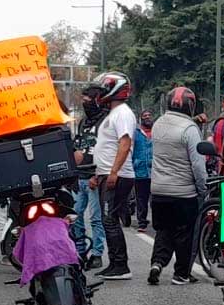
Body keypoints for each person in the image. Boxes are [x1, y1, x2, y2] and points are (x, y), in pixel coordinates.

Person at [148, 87, 208, 285]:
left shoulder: (157, 124)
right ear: (190, 106)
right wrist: (203, 189)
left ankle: (157, 263)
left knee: (163, 230)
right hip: (183, 193)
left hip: (158, 191)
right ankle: (181, 274)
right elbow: (198, 165)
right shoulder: (189, 129)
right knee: (184, 233)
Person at [85, 71, 137, 280]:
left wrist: (114, 172)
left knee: (109, 219)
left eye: (103, 89)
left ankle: (120, 265)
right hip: (106, 173)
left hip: (118, 174)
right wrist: (98, 174)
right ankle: (115, 262)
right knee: (108, 219)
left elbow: (125, 143)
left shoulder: (123, 113)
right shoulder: (113, 114)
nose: (99, 94)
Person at [71, 97, 107, 269]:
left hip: (94, 176)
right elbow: (77, 144)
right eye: (83, 101)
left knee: (95, 218)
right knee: (75, 215)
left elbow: (107, 150)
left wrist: (97, 174)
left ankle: (98, 253)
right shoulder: (83, 122)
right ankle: (80, 251)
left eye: (89, 101)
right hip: (79, 175)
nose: (86, 105)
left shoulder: (105, 121)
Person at [132, 109, 154, 231]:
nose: (147, 117)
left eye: (149, 115)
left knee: (155, 200)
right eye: (144, 116)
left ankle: (157, 222)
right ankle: (142, 223)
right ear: (141, 119)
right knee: (141, 199)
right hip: (140, 171)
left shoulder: (157, 133)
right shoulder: (136, 133)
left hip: (155, 171)